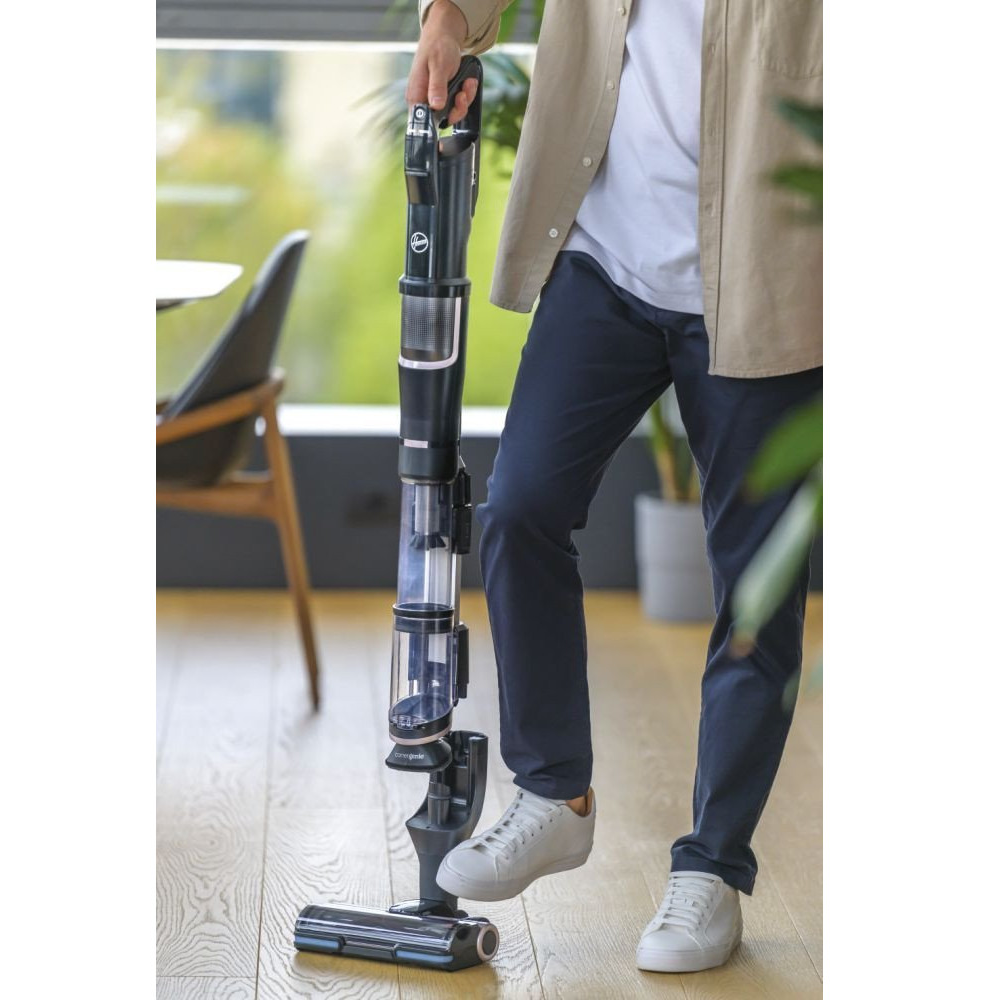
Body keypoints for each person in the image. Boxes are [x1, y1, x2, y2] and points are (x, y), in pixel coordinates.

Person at [407, 0, 822, 974]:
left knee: (754, 593)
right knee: (520, 506)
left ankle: (712, 867)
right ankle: (555, 791)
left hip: (763, 279)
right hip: (603, 257)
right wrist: (449, 18)